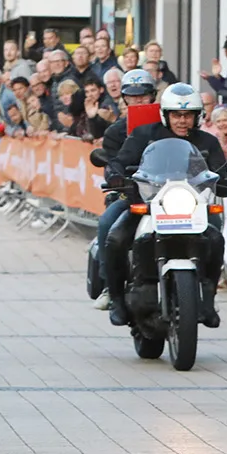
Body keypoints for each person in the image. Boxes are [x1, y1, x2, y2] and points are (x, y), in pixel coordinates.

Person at [104, 83, 227, 329]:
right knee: (116, 238)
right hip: (148, 204)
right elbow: (119, 161)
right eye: (177, 115)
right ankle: (117, 300)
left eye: (188, 115)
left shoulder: (207, 141)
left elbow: (221, 171)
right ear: (166, 114)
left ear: (198, 117)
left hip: (190, 207)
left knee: (216, 238)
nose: (182, 120)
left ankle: (208, 300)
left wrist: (225, 180)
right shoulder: (145, 134)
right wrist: (116, 176)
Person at [92, 69, 159, 312]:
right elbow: (111, 163)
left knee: (211, 221)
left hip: (167, 194)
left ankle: (204, 284)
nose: (139, 101)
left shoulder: (169, 124)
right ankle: (110, 286)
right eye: (133, 96)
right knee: (107, 224)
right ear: (124, 98)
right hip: (131, 194)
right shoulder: (116, 131)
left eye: (144, 96)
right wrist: (116, 178)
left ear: (153, 96)